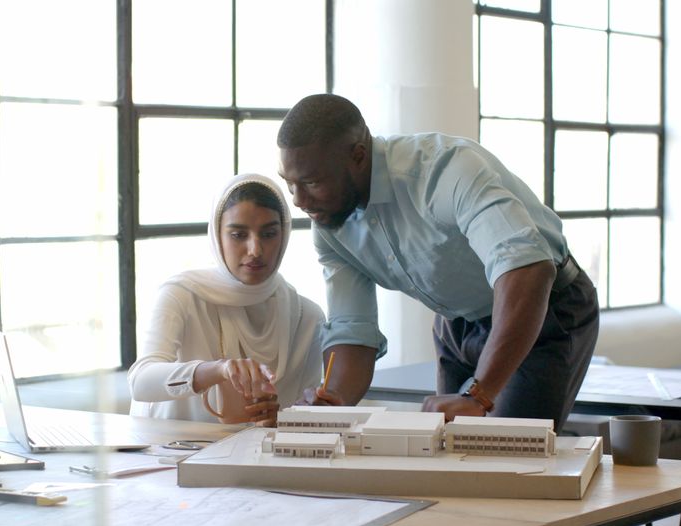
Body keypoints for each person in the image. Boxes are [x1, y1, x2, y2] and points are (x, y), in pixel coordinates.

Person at [276, 93, 599, 432]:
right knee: (445, 449)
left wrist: (479, 395)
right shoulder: (329, 224)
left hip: (542, 307)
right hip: (456, 324)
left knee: (504, 454)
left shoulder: (444, 170)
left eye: (312, 182)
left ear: (358, 155)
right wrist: (335, 401)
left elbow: (528, 269)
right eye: (289, 183)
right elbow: (353, 329)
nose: (298, 200)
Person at [127, 173, 325, 425]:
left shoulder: (306, 317)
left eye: (269, 234)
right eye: (238, 235)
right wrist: (218, 370)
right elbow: (140, 381)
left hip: (260, 448)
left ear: (284, 235)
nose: (255, 250)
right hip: (168, 445)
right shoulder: (182, 294)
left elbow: (302, 416)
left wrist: (285, 418)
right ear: (216, 235)